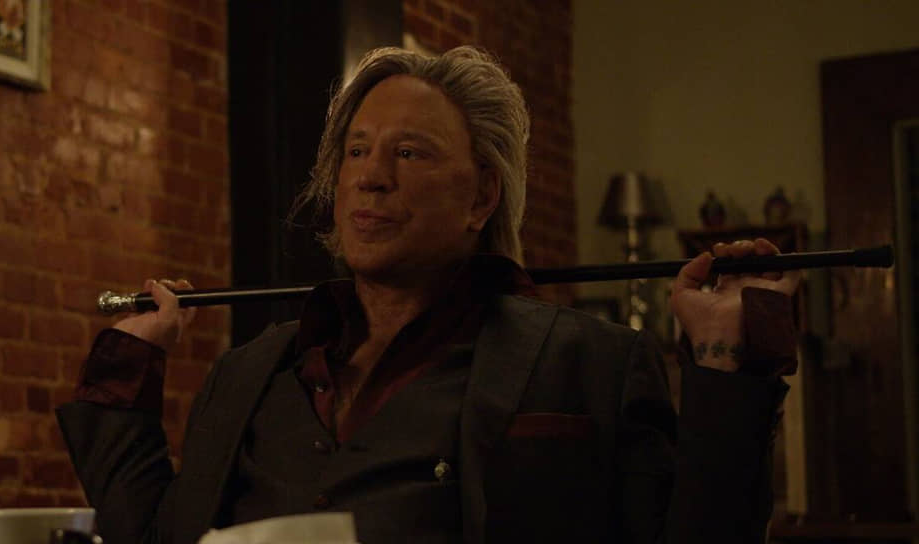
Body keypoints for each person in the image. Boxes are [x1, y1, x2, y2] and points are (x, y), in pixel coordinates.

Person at [57, 46, 799, 544]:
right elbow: (151, 536)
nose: (371, 176)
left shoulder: (591, 364)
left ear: (480, 196)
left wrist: (724, 355)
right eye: (356, 151)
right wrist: (127, 367)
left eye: (408, 152)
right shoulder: (247, 374)